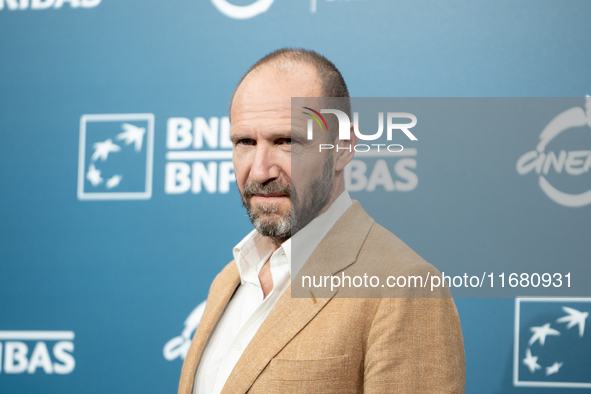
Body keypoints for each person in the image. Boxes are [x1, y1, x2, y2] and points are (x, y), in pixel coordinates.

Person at [178, 48, 465, 394]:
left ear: (343, 147)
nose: (259, 170)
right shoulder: (228, 281)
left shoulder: (404, 288)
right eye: (245, 142)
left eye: (285, 141)